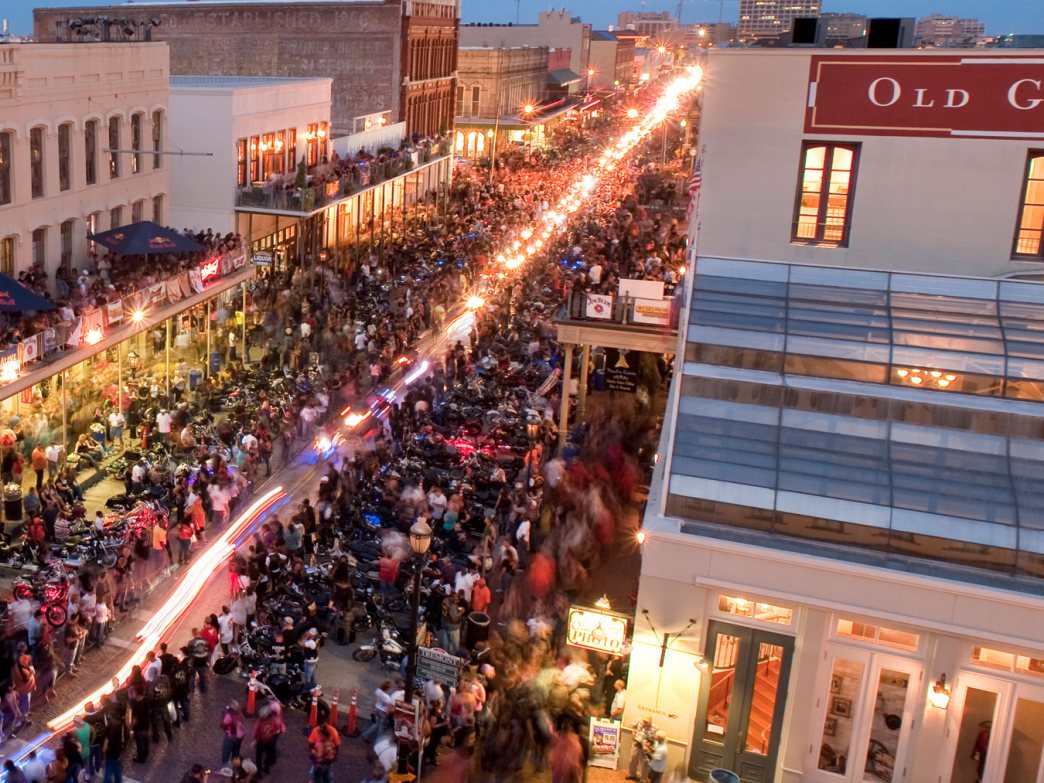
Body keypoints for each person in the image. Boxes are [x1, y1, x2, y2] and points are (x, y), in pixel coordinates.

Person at [307, 714, 340, 783]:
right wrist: (335, 756)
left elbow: (311, 744)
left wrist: (312, 754)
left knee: (315, 777)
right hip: (328, 761)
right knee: (328, 777)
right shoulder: (333, 731)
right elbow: (337, 745)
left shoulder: (316, 732)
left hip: (318, 763)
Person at [627, 716, 656, 781]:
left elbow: (655, 739)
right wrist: (633, 731)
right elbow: (634, 725)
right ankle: (631, 774)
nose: (645, 722)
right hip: (636, 743)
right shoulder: (639, 722)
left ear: (650, 722)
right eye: (644, 721)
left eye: (646, 722)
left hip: (646, 747)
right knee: (632, 760)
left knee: (645, 764)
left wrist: (649, 744)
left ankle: (643, 779)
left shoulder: (654, 728)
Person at [220, 702, 246, 766]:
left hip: (231, 736)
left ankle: (225, 768)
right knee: (235, 753)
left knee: (226, 753)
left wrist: (222, 716)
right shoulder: (240, 713)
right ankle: (235, 766)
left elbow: (222, 725)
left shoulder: (229, 716)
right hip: (239, 737)